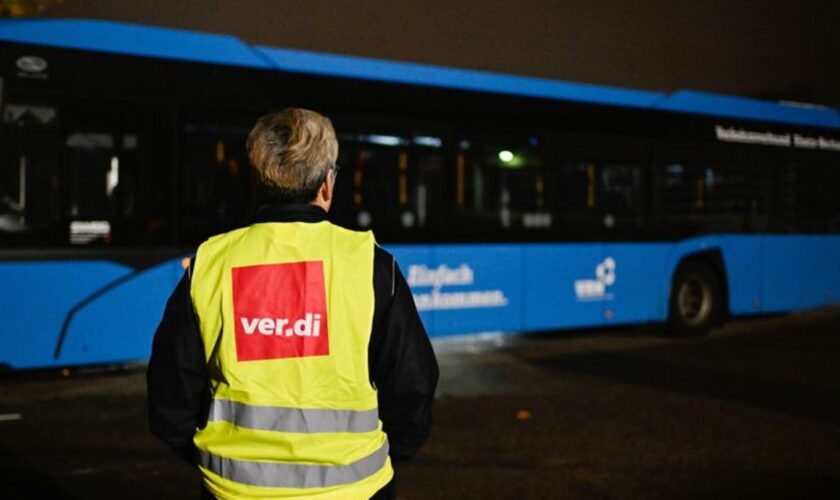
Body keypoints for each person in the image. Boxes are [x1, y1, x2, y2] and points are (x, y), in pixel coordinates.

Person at [147, 108, 438, 499]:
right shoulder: (370, 264)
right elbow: (413, 385)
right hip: (356, 490)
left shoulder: (210, 264)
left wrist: (213, 459)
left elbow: (170, 394)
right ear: (327, 184)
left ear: (256, 182)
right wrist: (383, 455)